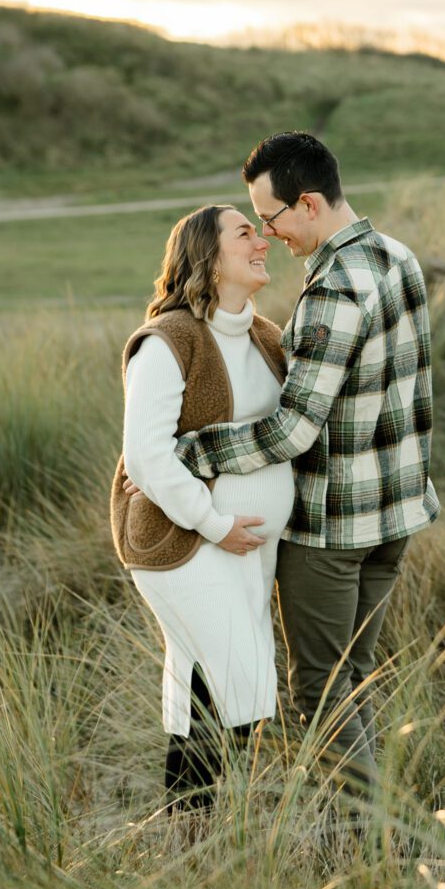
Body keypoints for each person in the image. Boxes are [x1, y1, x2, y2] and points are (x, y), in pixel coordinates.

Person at [173, 131, 437, 802]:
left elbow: (292, 430)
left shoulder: (332, 292)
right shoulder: (398, 257)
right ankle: (371, 828)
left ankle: (372, 842)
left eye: (271, 217)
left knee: (319, 688)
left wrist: (196, 453)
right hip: (397, 515)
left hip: (333, 531)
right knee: (355, 677)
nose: (266, 233)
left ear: (309, 203)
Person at [116, 203, 292, 818]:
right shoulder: (169, 342)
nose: (262, 239)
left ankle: (194, 839)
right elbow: (145, 458)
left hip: (247, 550)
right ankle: (204, 830)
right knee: (235, 679)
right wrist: (216, 525)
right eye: (244, 232)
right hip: (186, 545)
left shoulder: (267, 337)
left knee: (208, 686)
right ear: (208, 258)